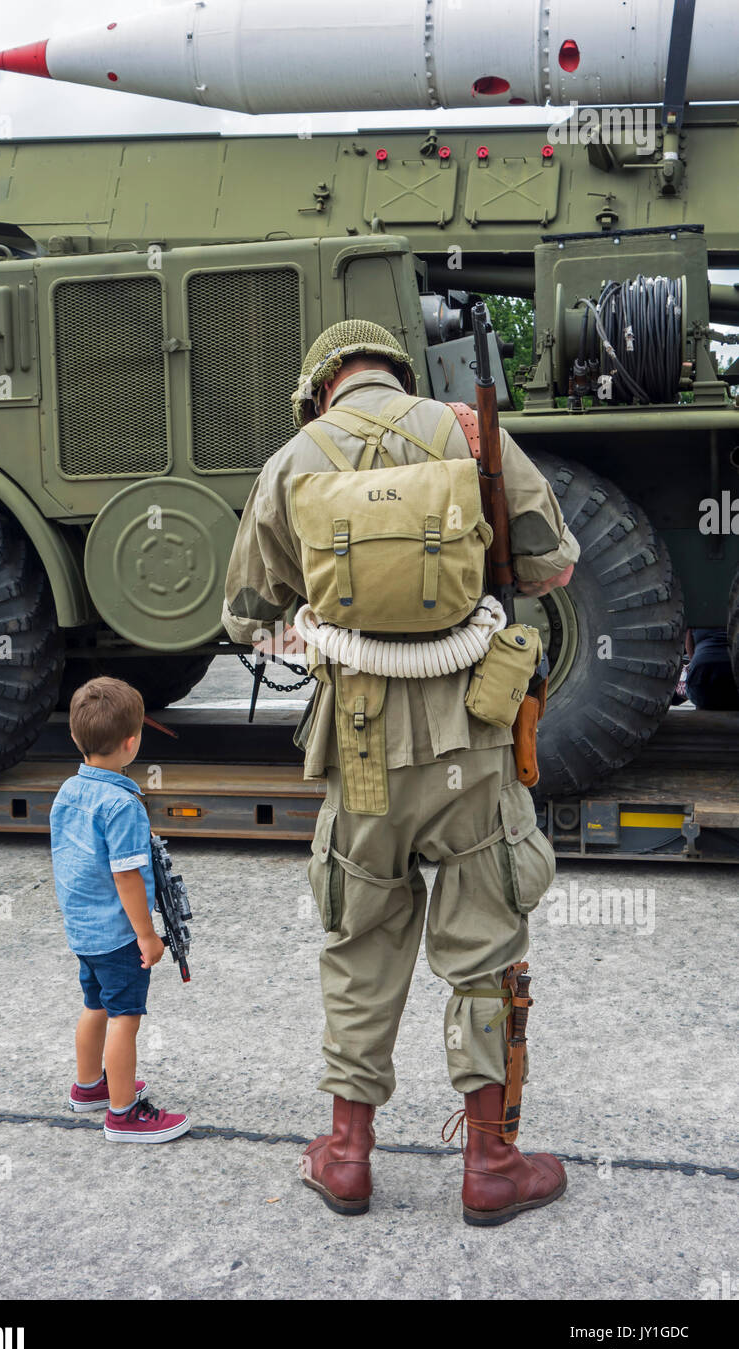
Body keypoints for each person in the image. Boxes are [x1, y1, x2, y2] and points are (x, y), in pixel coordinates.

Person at [222, 320, 579, 1225]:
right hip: (472, 745)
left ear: (323, 385)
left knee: (360, 942)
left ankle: (346, 1156)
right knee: (486, 949)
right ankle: (491, 1163)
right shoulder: (471, 432)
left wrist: (326, 616)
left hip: (361, 750)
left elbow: (244, 615)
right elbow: (552, 565)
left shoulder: (291, 460)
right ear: (395, 370)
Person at [49, 676, 190, 1144]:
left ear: (75, 737)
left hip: (83, 929)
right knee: (125, 1017)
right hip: (117, 933)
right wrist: (147, 936)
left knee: (94, 1005)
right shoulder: (122, 804)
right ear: (131, 744)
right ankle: (123, 1113)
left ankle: (88, 1086)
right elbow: (127, 876)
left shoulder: (68, 791)